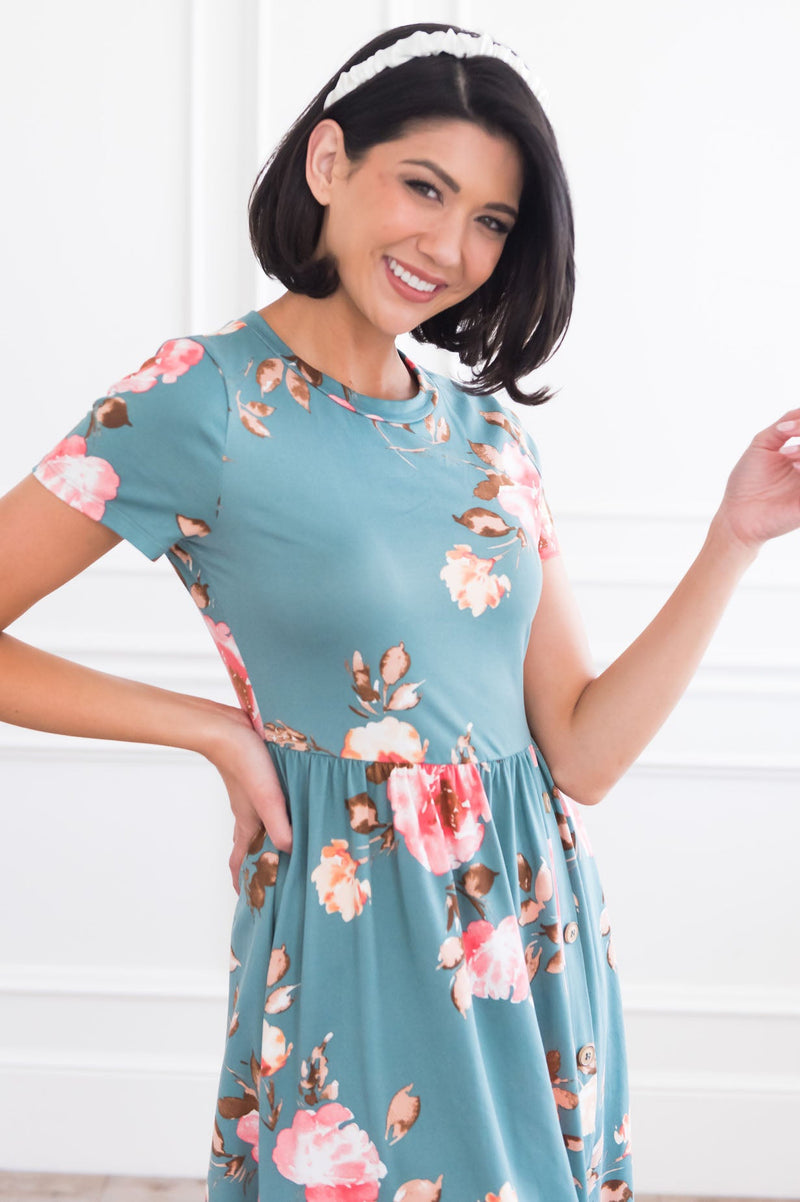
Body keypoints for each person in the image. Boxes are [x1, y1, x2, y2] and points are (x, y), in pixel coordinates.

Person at [1, 19, 799, 1202]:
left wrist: (732, 538)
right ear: (329, 162)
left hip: (529, 927)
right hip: (358, 929)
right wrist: (210, 728)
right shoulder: (199, 398)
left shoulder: (488, 439)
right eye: (423, 187)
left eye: (490, 219)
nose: (448, 245)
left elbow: (581, 751)